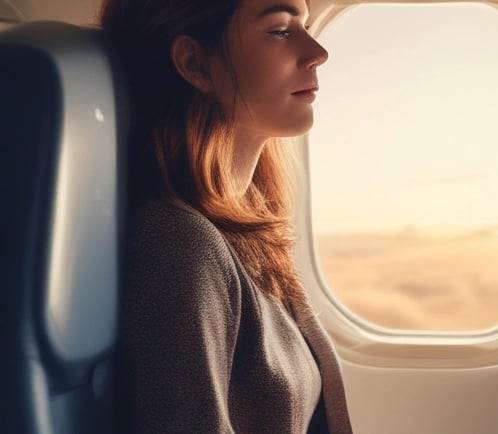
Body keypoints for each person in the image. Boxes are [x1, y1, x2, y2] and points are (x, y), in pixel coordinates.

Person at [100, 0, 353, 432]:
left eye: (306, 25)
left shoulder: (244, 223)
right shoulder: (180, 248)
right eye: (279, 29)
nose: (317, 52)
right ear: (195, 63)